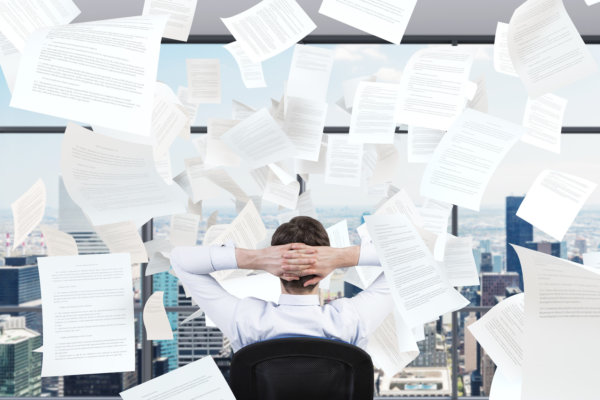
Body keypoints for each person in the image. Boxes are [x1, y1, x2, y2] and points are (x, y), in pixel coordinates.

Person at [170, 216, 392, 352]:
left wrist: (256, 258)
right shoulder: (350, 320)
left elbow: (180, 260)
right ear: (324, 272)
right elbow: (410, 258)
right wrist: (342, 257)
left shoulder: (246, 321)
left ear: (275, 269)